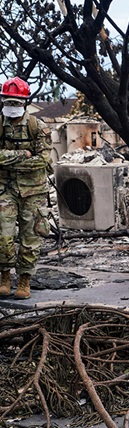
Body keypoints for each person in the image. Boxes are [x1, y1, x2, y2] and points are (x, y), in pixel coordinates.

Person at [0, 77, 52, 300]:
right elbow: (32, 157)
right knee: (3, 236)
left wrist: (7, 159)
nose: (12, 106)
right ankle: (4, 276)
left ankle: (24, 279)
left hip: (34, 191)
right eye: (8, 102)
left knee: (31, 239)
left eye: (16, 102)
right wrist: (23, 154)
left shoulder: (37, 127)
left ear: (24, 102)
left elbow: (44, 161)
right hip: (5, 189)